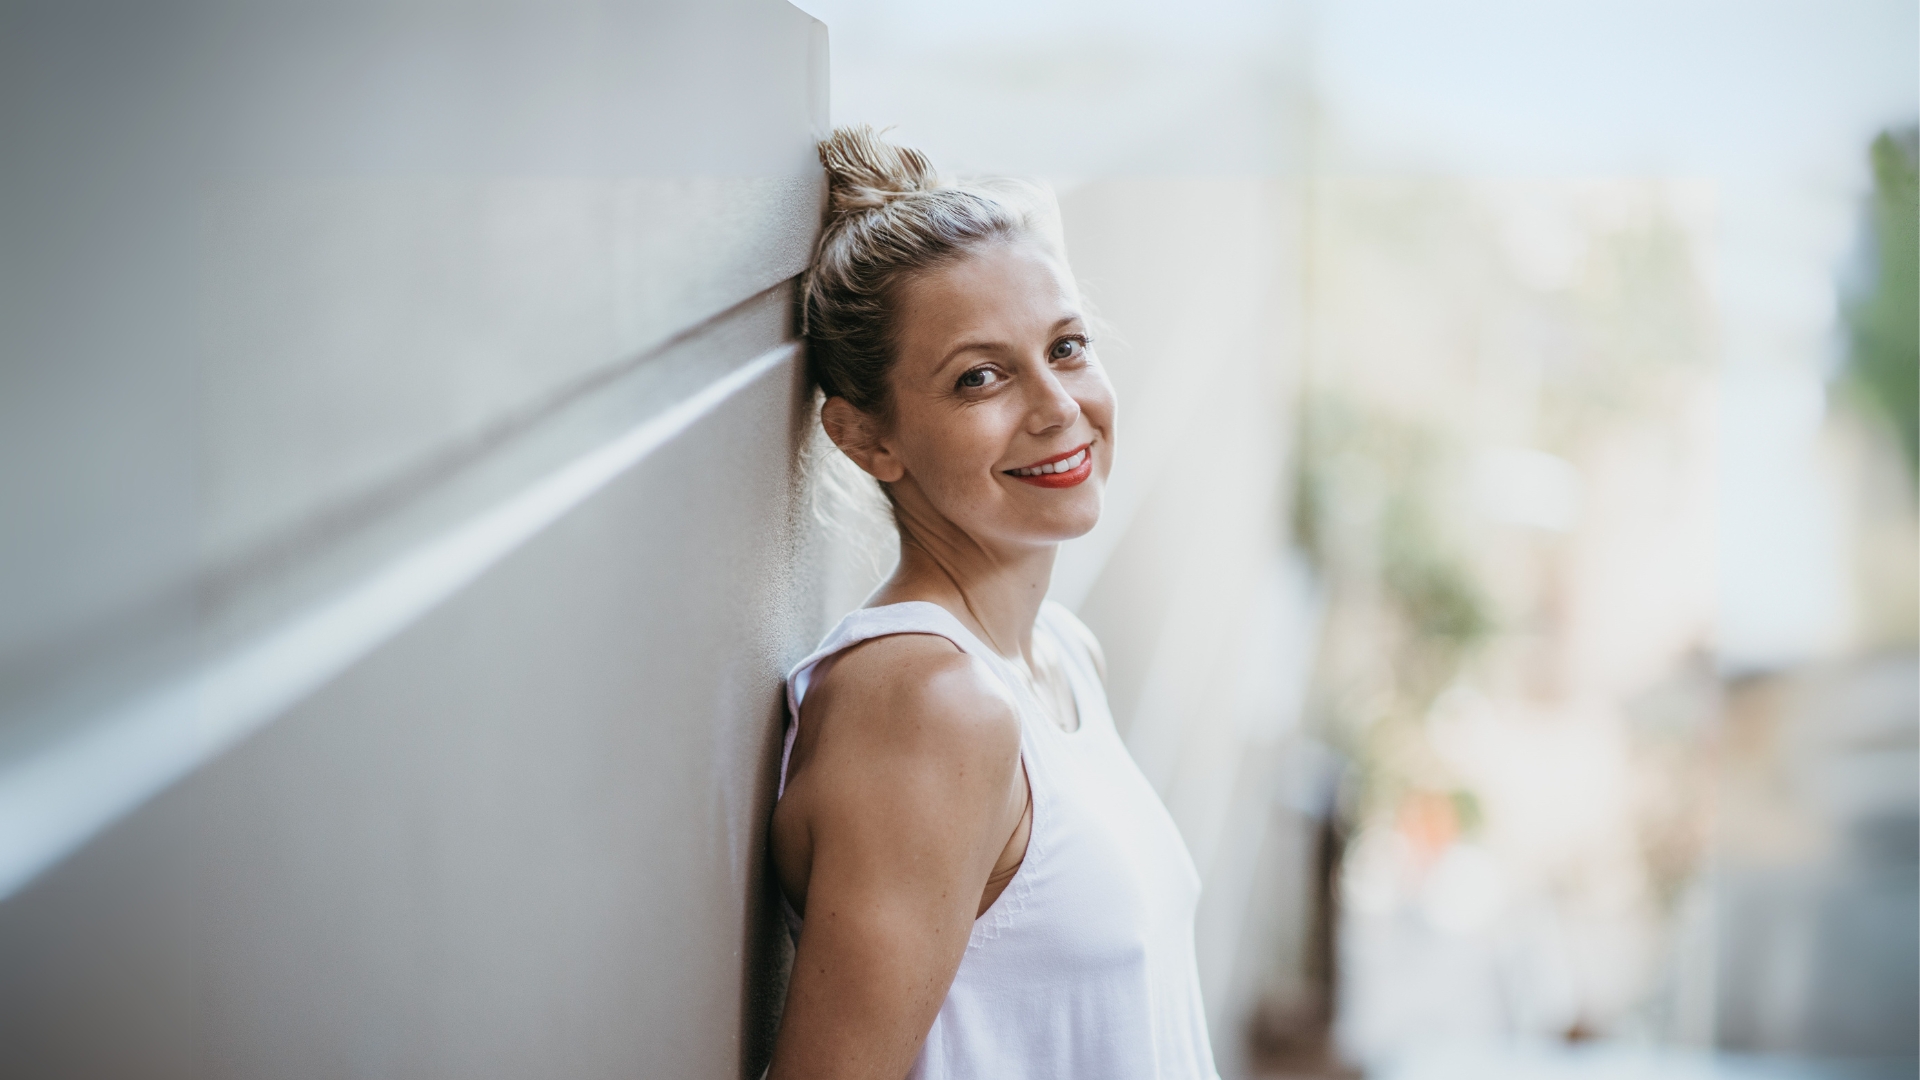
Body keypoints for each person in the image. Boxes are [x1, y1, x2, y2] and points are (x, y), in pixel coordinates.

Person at [765, 126, 1220, 1080]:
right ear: (865, 438)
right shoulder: (930, 708)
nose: (1056, 405)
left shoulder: (1059, 652)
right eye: (981, 376)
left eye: (1067, 346)